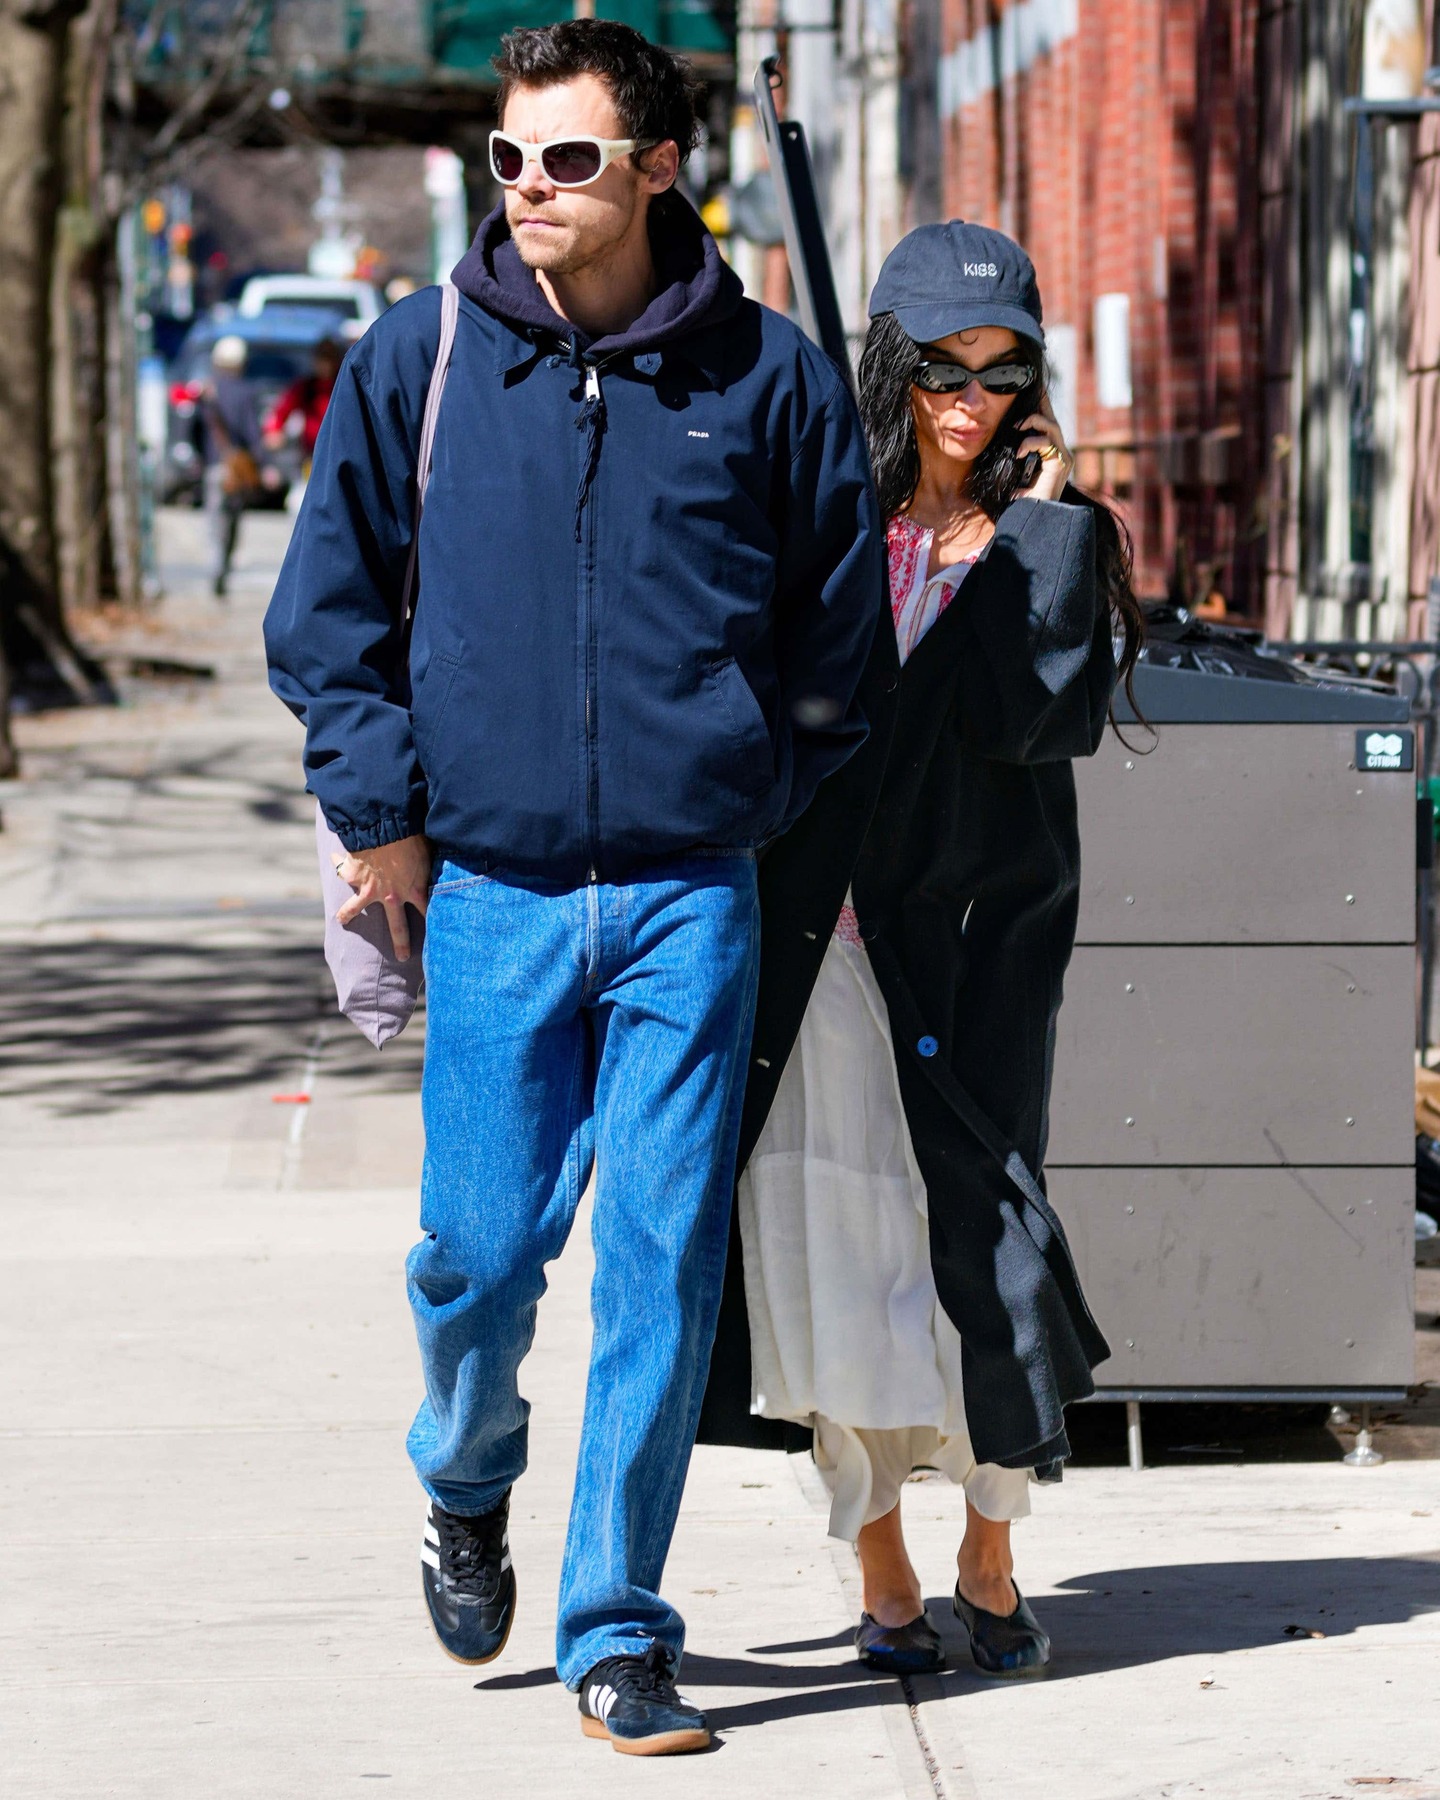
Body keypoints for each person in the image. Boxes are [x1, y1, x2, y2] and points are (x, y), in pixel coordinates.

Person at [263, 18, 881, 1757]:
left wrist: (755, 785)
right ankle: (465, 1474)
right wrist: (383, 817)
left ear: (661, 171)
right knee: (475, 1252)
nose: (530, 187)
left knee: (662, 1267)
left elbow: (842, 641)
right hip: (496, 898)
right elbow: (324, 622)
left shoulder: (768, 380)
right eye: (510, 158)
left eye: (570, 159)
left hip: (692, 897)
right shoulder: (422, 362)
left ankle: (618, 1627)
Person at [708, 221, 1144, 1678]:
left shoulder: (1048, 541)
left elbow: (1040, 713)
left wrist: (1039, 523)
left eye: (1000, 369)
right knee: (836, 1243)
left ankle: (996, 1535)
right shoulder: (822, 522)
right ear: (888, 368)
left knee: (984, 1240)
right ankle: (882, 1550)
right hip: (826, 944)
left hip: (973, 947)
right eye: (939, 371)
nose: (969, 399)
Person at [200, 335, 262, 598]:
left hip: (214, 466)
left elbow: (193, 427)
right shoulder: (246, 393)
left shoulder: (207, 391)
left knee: (215, 520)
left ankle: (216, 566)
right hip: (236, 468)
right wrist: (262, 463)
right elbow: (252, 432)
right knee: (233, 521)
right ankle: (222, 567)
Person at [262, 337, 342, 466]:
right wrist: (273, 429)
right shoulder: (306, 387)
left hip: (340, 452)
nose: (326, 364)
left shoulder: (345, 386)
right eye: (322, 358)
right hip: (313, 453)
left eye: (330, 358)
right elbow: (281, 411)